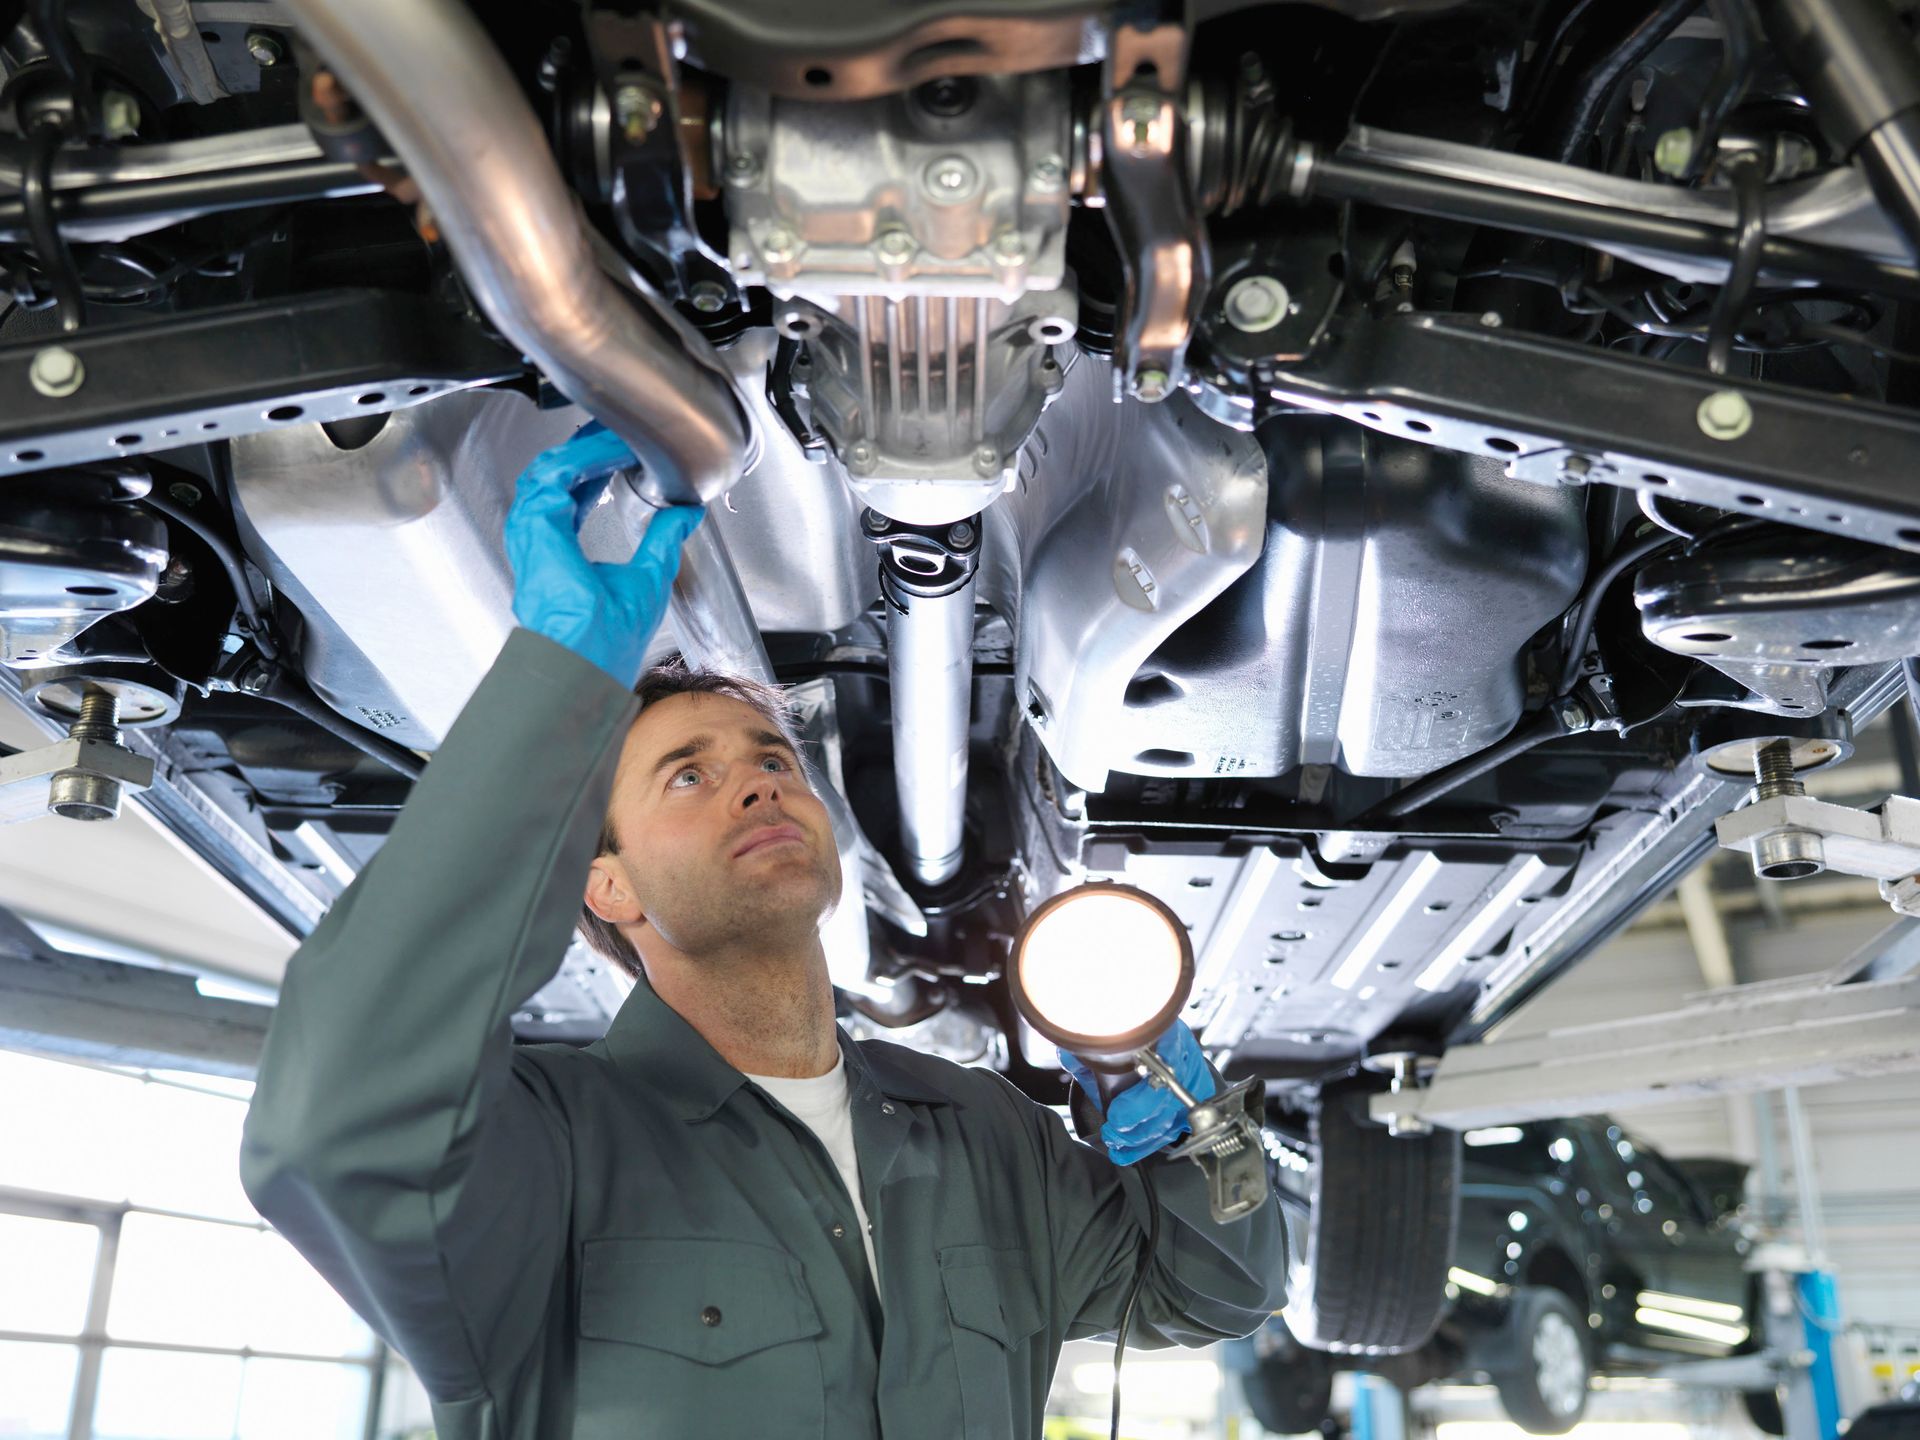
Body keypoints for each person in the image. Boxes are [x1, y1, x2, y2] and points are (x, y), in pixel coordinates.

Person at [239, 423, 1288, 1440]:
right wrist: (559, 691)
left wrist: (1198, 1132)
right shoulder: (541, 1155)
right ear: (603, 884)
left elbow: (1209, 1294)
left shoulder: (983, 1135)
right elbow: (338, 1123)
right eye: (688, 775)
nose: (754, 783)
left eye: (773, 760)